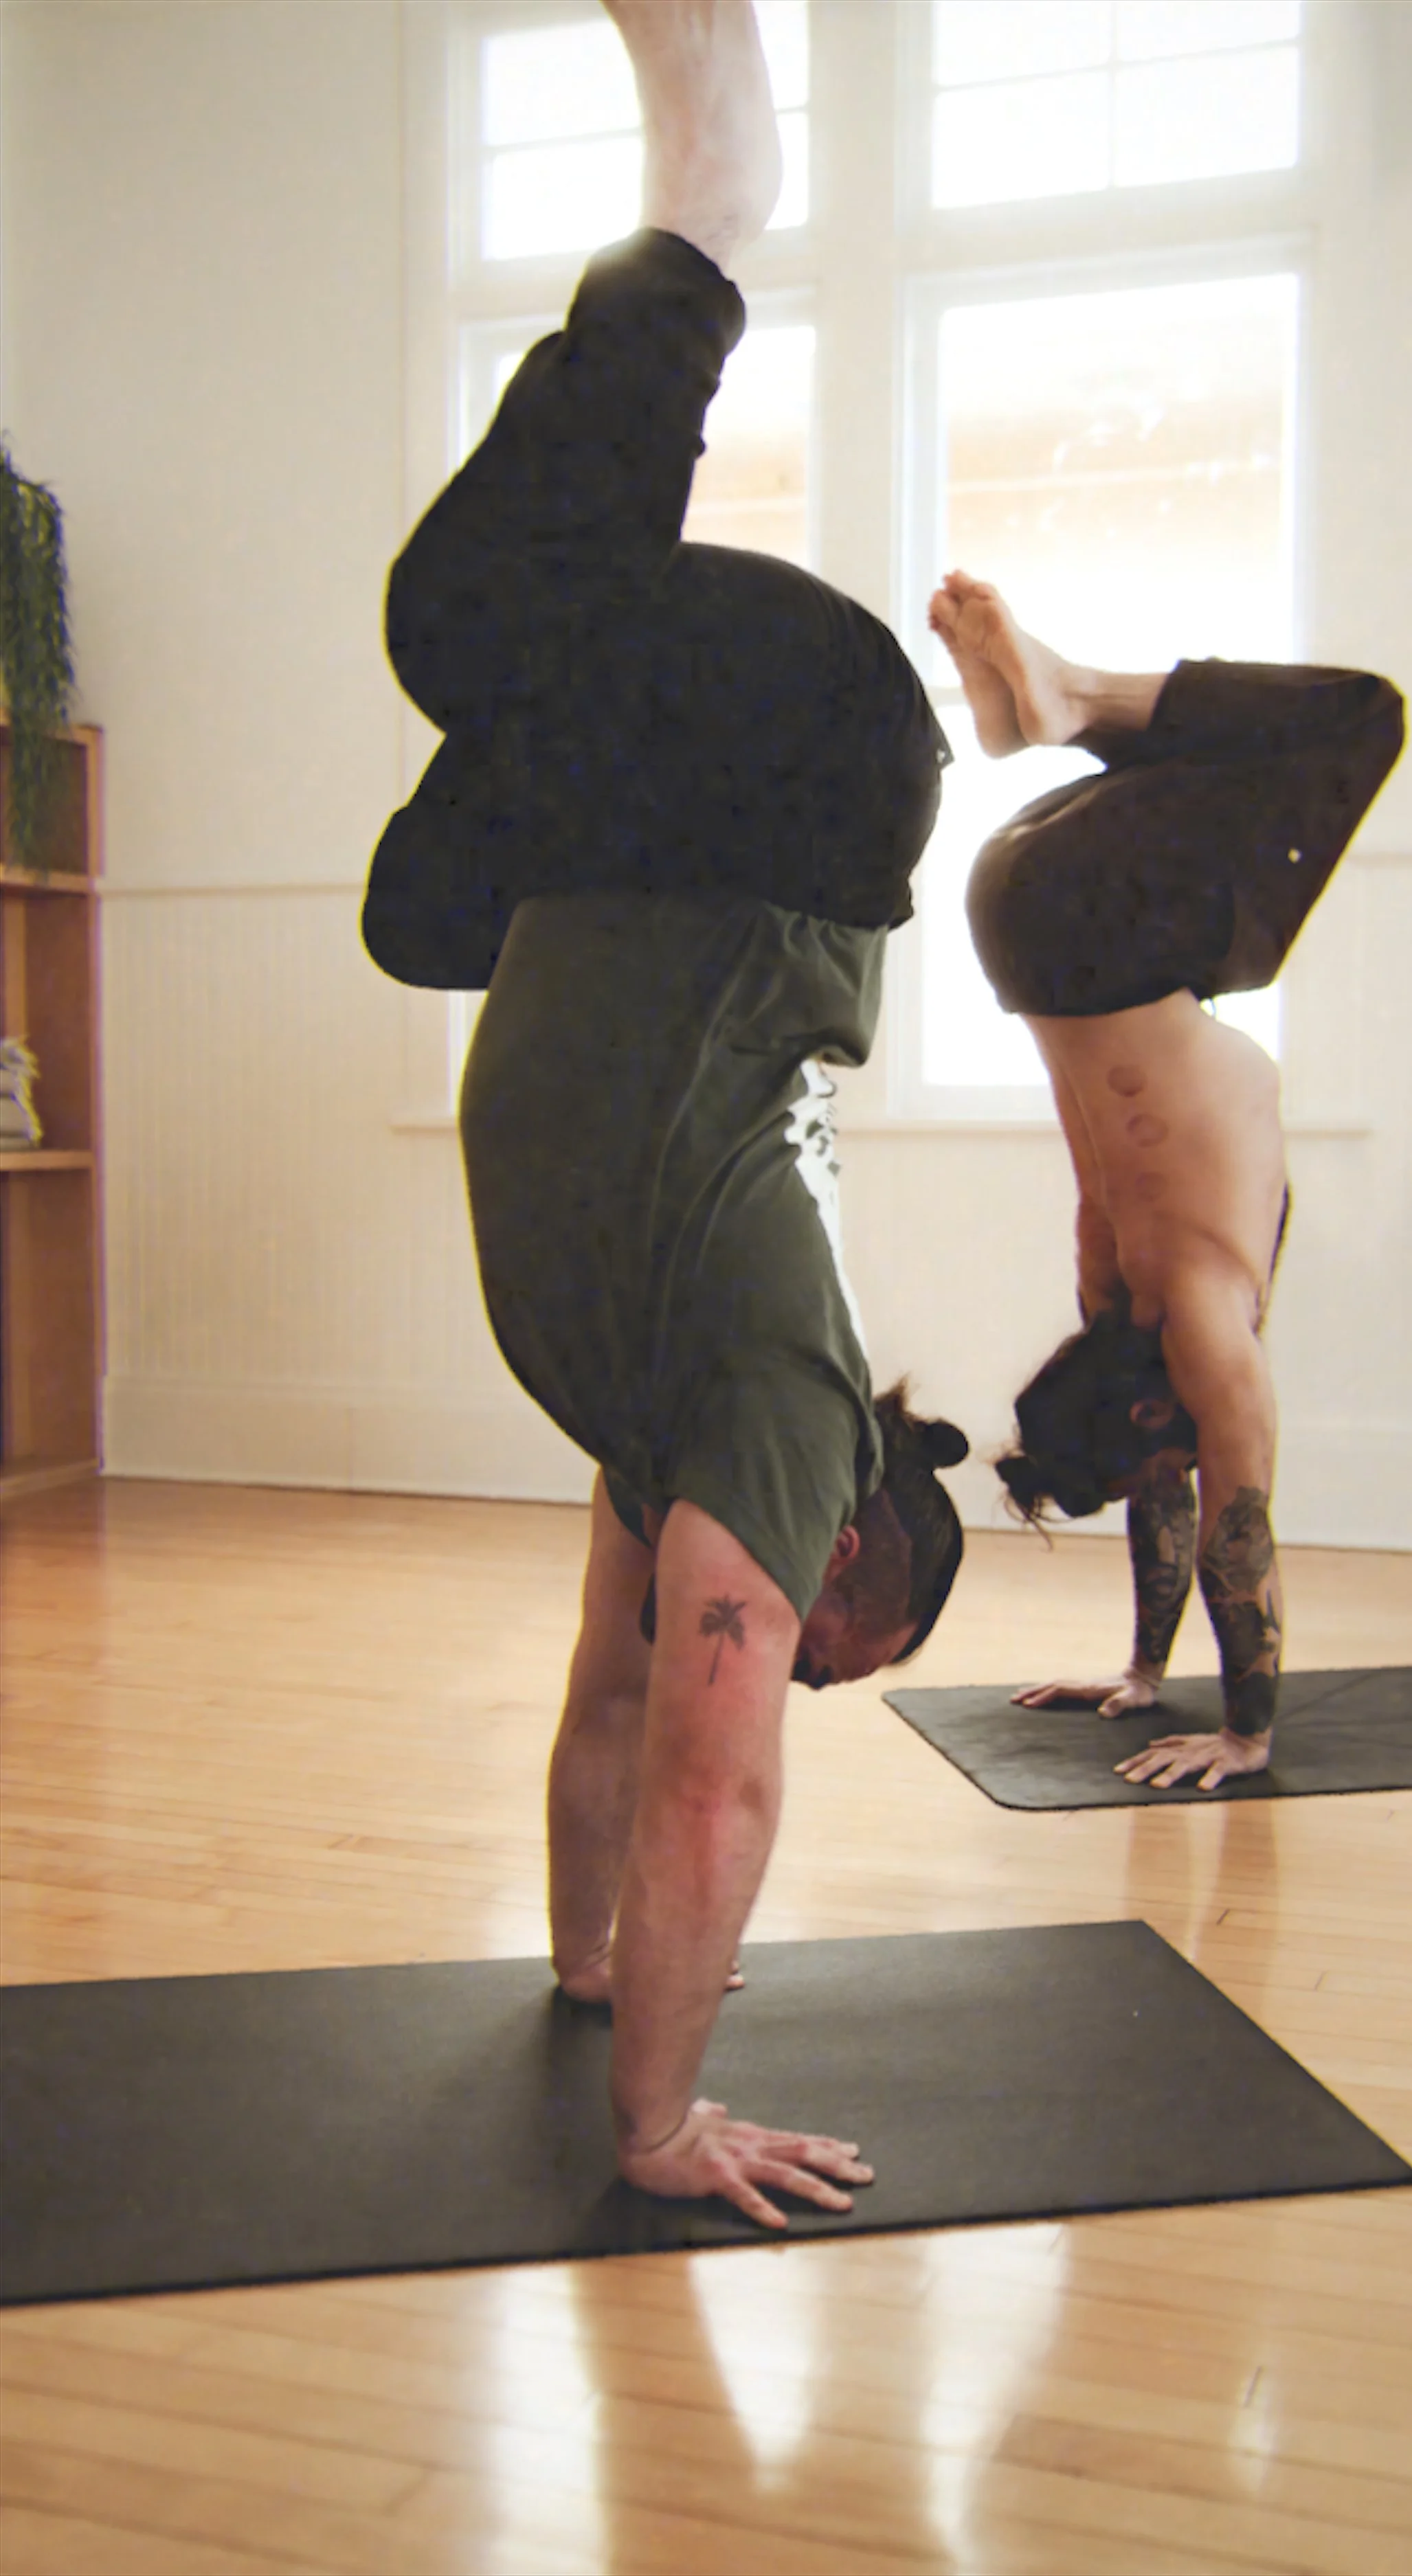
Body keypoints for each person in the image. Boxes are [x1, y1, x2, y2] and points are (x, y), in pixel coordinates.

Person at [362, 0, 969, 2229]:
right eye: (832, 1645)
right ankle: (719, 165)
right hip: (798, 784)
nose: (788, 1659)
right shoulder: (788, 1416)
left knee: (429, 900)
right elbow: (717, 1771)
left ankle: (703, 181)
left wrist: (594, 1966)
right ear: (852, 1554)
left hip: (677, 839)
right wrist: (657, 2127)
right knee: (467, 617)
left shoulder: (673, 1427)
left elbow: (617, 1721)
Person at [928, 570, 1404, 1792]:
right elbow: (1169, 1487)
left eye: (1155, 1460)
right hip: (1029, 911)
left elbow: (1239, 1539)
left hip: (1101, 922)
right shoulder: (1119, 1295)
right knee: (1255, 816)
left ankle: (1070, 696)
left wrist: (1247, 1733)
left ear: (1147, 1409)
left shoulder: (1194, 1313)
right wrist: (1141, 1674)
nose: (1172, 1485)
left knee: (1360, 720)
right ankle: (1059, 709)